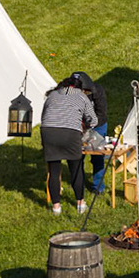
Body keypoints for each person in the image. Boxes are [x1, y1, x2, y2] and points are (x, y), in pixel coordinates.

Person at [39, 75, 98, 216]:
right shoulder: (82, 96)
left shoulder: (52, 95)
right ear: (79, 87)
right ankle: (80, 203)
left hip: (48, 132)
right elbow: (94, 120)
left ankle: (56, 207)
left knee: (54, 171)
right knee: (76, 169)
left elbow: (44, 117)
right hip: (70, 134)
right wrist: (84, 127)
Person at [73, 72, 109, 195]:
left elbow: (101, 113)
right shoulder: (71, 94)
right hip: (79, 127)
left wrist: (89, 126)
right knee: (77, 156)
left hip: (98, 126)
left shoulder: (97, 91)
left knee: (98, 156)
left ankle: (98, 187)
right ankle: (79, 184)